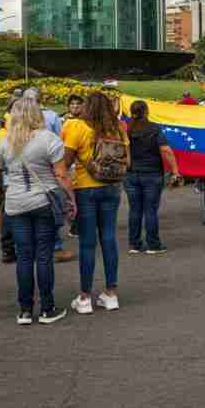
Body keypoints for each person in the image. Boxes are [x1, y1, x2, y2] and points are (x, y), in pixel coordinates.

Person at [0, 96, 76, 325]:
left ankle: (24, 309)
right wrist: (71, 199)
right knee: (44, 255)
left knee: (24, 256)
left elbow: (1, 167)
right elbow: (61, 174)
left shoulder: (5, 141)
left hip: (16, 202)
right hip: (43, 201)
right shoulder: (48, 139)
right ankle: (47, 307)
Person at [63, 91, 129, 314]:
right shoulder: (118, 128)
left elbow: (65, 161)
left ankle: (84, 297)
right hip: (112, 187)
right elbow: (127, 160)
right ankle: (111, 294)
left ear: (86, 107)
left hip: (86, 187)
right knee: (109, 239)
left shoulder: (76, 126)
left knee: (87, 243)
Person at [124, 100, 180, 255]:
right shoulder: (154, 128)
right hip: (152, 174)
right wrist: (175, 170)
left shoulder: (126, 129)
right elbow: (166, 150)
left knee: (134, 210)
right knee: (150, 210)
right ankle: (153, 244)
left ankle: (134, 244)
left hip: (130, 174)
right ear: (147, 112)